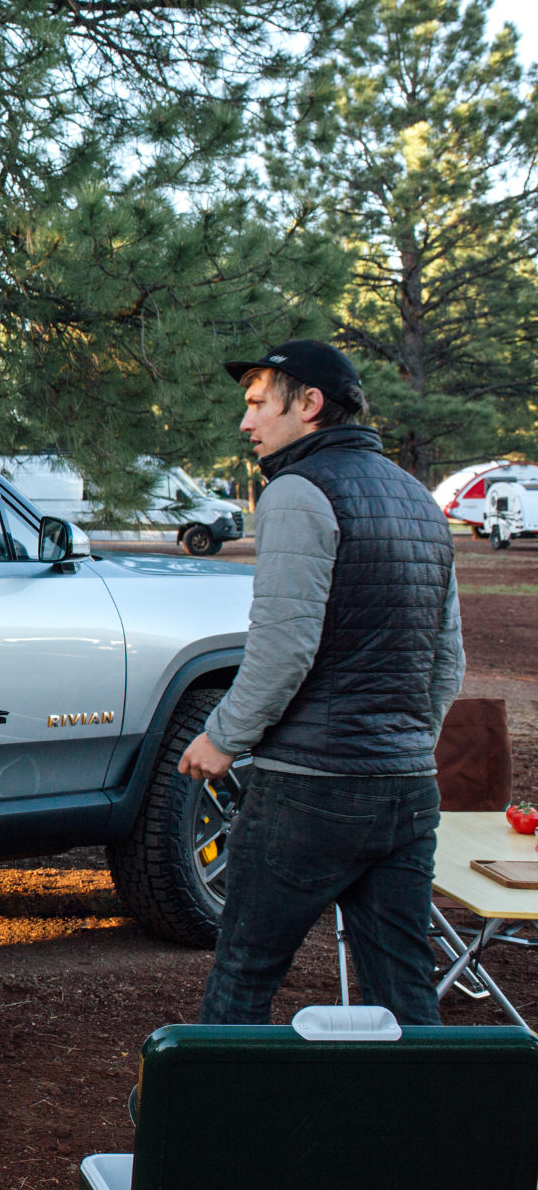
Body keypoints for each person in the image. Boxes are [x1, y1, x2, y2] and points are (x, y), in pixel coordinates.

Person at [180, 339, 464, 1025]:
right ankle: (429, 1103)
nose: (246, 422)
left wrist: (223, 736)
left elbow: (283, 649)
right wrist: (402, 747)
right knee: (404, 991)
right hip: (406, 789)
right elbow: (447, 659)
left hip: (310, 791)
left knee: (244, 974)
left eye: (258, 404)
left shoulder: (296, 491)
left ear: (309, 404)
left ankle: (216, 1102)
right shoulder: (418, 498)